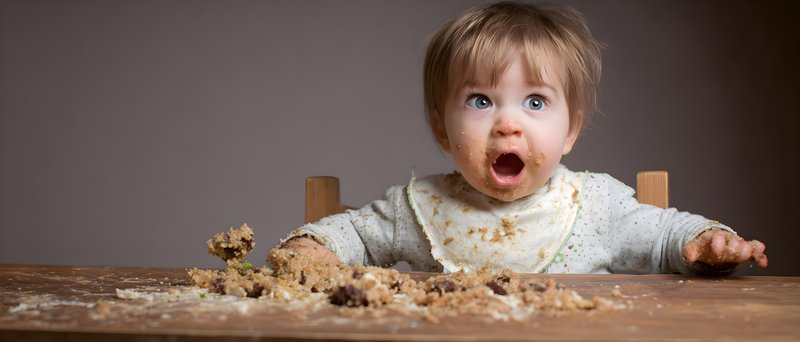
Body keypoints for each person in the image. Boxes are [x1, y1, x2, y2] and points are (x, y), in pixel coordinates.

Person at [279, 2, 768, 275]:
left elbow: (664, 237)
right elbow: (358, 235)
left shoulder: (593, 206)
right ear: (441, 129)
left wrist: (705, 242)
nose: (507, 124)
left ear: (570, 130)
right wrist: (315, 246)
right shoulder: (420, 208)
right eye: (480, 101)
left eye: (535, 102)